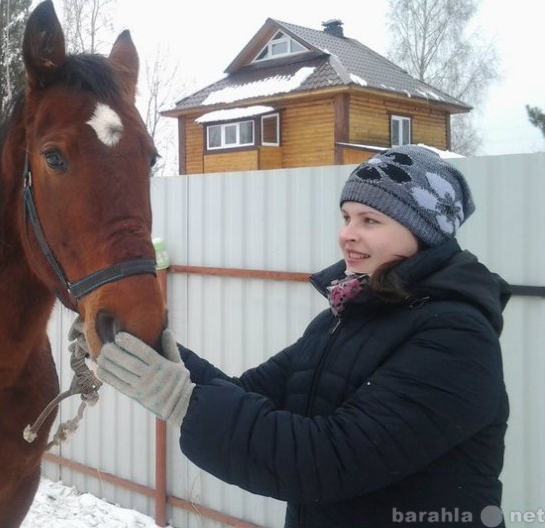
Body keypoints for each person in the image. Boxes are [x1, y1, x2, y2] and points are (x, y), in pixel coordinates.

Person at [95, 144, 510, 528]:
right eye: (346, 217)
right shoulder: (347, 316)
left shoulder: (457, 339)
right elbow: (250, 393)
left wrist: (181, 400)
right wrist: (151, 349)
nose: (348, 233)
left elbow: (325, 461)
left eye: (370, 220)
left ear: (425, 231)